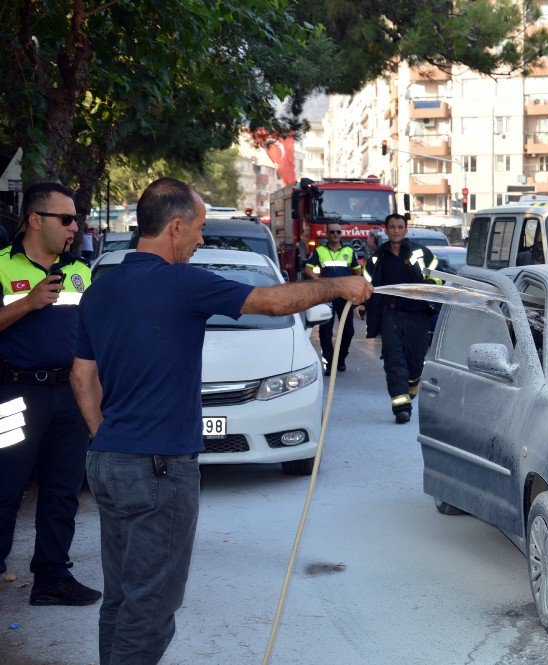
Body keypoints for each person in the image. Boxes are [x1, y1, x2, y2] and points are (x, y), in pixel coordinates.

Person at [70, 177, 372, 665]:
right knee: (151, 606)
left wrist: (103, 436)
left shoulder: (101, 291)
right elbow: (271, 303)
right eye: (199, 228)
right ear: (175, 227)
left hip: (108, 460)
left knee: (123, 596)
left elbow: (82, 378)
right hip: (159, 468)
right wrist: (339, 285)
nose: (202, 239)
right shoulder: (182, 282)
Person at [0, 182, 100, 606]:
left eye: (76, 219)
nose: (74, 226)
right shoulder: (2, 265)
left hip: (69, 396)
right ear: (36, 219)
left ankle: (51, 579)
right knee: (5, 489)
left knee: (62, 491)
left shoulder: (79, 270)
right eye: (66, 218)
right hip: (14, 396)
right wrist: (26, 302)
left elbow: (93, 337)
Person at [358, 213, 442, 424]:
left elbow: (438, 277)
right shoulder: (377, 258)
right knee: (394, 360)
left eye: (400, 227)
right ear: (386, 230)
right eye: (392, 227)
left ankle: (412, 384)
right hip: (390, 315)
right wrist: (361, 304)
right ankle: (401, 407)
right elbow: (366, 287)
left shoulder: (421, 253)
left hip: (417, 315)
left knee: (415, 362)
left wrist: (427, 287)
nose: (396, 231)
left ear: (406, 230)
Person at [302, 221, 362, 374]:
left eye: (338, 232)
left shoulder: (349, 250)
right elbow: (307, 269)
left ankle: (340, 359)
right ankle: (329, 363)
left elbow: (357, 272)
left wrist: (357, 290)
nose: (335, 234)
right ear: (327, 234)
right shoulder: (319, 250)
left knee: (348, 331)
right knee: (325, 331)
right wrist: (319, 281)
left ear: (341, 234)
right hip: (327, 295)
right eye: (332, 232)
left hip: (344, 295)